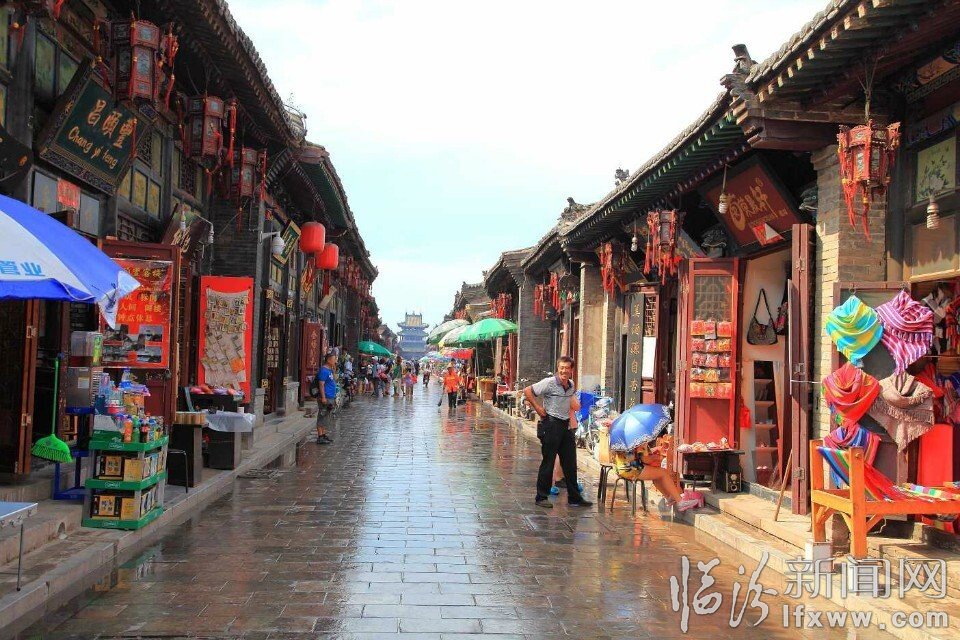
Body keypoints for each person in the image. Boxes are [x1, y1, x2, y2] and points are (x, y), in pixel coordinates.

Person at [524, 356, 593, 508]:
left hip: (565, 425)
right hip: (551, 424)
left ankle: (574, 497)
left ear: (571, 370)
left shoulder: (571, 384)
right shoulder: (549, 382)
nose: (564, 371)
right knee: (548, 462)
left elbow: (573, 403)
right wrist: (538, 408)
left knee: (570, 463)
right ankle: (541, 497)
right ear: (558, 368)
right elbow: (528, 391)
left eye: (567, 368)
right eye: (561, 368)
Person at [314, 352, 337, 444]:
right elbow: (321, 384)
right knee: (322, 415)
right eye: (334, 359)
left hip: (330, 396)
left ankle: (323, 434)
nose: (335, 361)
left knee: (326, 416)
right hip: (325, 397)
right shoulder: (323, 370)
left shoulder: (330, 370)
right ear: (328, 360)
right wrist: (323, 397)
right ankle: (320, 436)